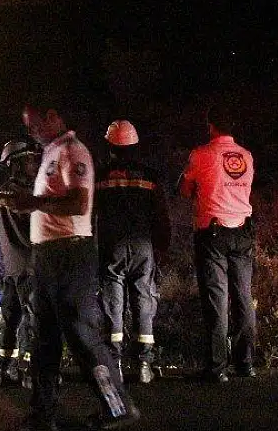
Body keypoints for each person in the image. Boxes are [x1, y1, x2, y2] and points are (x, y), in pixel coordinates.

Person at [0, 104, 140, 431]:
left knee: (82, 335)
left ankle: (117, 406)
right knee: (43, 338)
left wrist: (33, 204)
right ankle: (42, 415)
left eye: (32, 124)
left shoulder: (73, 152)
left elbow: (78, 203)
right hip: (48, 257)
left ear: (52, 116)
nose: (30, 131)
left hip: (70, 256)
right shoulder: (51, 152)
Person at [179, 105, 257, 383]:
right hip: (243, 230)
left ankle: (217, 367)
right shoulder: (246, 157)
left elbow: (185, 189)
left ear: (210, 125)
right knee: (243, 297)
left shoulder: (200, 155)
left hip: (212, 232)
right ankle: (246, 363)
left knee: (217, 299)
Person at [94, 120, 170, 384]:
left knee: (113, 303)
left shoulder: (101, 176)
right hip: (143, 246)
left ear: (110, 146)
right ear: (135, 146)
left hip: (112, 246)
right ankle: (144, 365)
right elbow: (161, 215)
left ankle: (113, 362)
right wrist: (162, 246)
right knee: (143, 300)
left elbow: (90, 214)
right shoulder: (149, 177)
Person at [0, 140, 41, 388]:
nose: (34, 163)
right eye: (29, 159)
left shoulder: (2, 191)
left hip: (11, 265)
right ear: (17, 164)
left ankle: (5, 369)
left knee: (10, 318)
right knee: (32, 320)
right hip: (29, 264)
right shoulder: (26, 193)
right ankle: (28, 370)